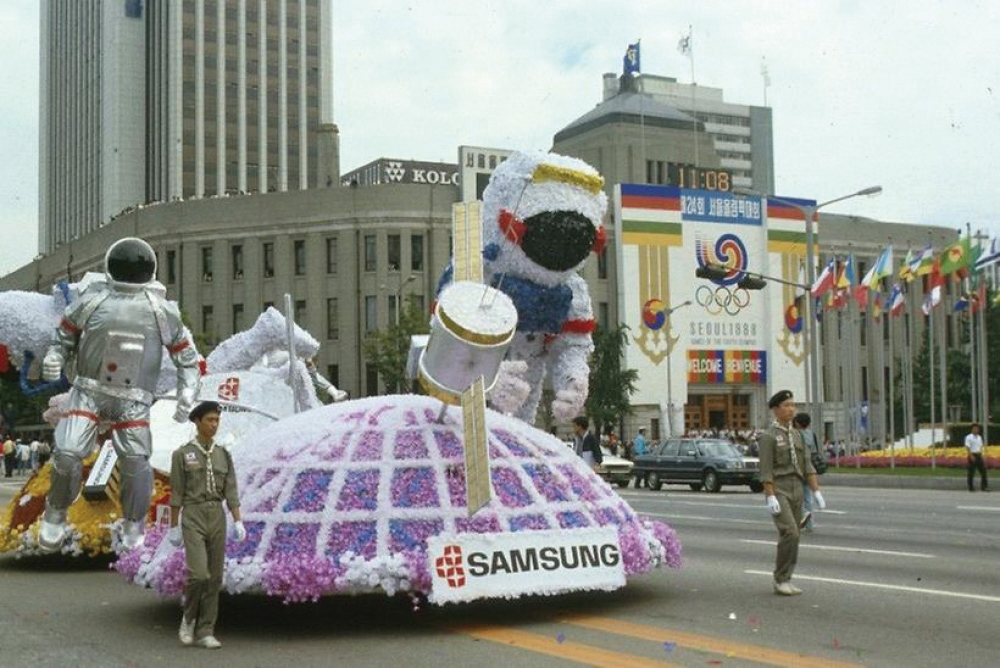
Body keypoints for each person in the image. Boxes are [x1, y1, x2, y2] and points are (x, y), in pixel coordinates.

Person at [38, 238, 201, 552]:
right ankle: (56, 512)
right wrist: (54, 357)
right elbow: (63, 339)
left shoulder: (162, 311)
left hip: (133, 398)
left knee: (135, 460)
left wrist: (188, 392)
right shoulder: (90, 301)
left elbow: (187, 358)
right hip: (89, 390)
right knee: (68, 452)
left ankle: (133, 522)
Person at [168, 401, 246, 649]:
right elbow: (177, 493)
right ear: (198, 422)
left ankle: (206, 630)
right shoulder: (182, 454)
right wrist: (173, 526)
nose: (214, 424)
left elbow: (231, 489)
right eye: (210, 420)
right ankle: (189, 618)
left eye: (217, 420)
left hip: (217, 514)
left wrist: (238, 519)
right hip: (193, 514)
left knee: (214, 577)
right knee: (198, 574)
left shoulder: (223, 453)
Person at [758, 390, 826, 596]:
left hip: (797, 487)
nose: (791, 409)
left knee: (794, 537)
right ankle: (780, 578)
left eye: (792, 405)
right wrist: (770, 495)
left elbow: (807, 464)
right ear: (776, 409)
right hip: (779, 488)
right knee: (790, 532)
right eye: (786, 405)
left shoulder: (796, 434)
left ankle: (787, 577)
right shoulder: (769, 436)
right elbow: (766, 469)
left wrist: (816, 491)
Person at [793, 412, 822, 531]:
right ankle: (810, 524)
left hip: (797, 468)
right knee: (808, 497)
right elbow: (815, 451)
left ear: (797, 423)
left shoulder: (795, 435)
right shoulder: (811, 434)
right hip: (809, 469)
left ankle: (803, 514)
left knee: (794, 496)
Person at [965, 424, 988, 492]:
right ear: (972, 429)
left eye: (977, 429)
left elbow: (980, 447)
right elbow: (967, 447)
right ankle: (971, 487)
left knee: (983, 472)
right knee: (971, 472)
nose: (976, 430)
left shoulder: (979, 437)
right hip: (972, 454)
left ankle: (984, 487)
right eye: (974, 429)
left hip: (978, 455)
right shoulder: (969, 437)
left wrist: (982, 455)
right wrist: (971, 455)